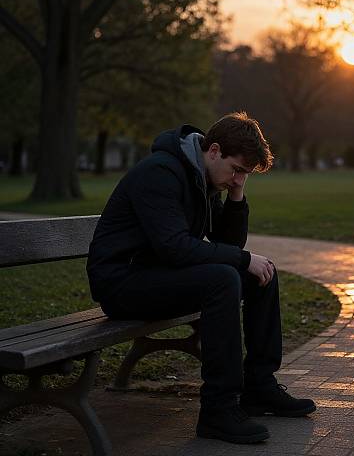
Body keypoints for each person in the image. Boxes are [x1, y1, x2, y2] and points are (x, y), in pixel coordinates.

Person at [86, 112, 316, 444]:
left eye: (245, 174)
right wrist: (242, 259)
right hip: (122, 283)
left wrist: (237, 194)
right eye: (237, 170)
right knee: (224, 278)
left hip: (157, 275)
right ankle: (218, 411)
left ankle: (259, 387)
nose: (237, 179)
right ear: (214, 150)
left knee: (260, 273)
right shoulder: (160, 173)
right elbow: (175, 248)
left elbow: (228, 243)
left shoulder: (204, 178)